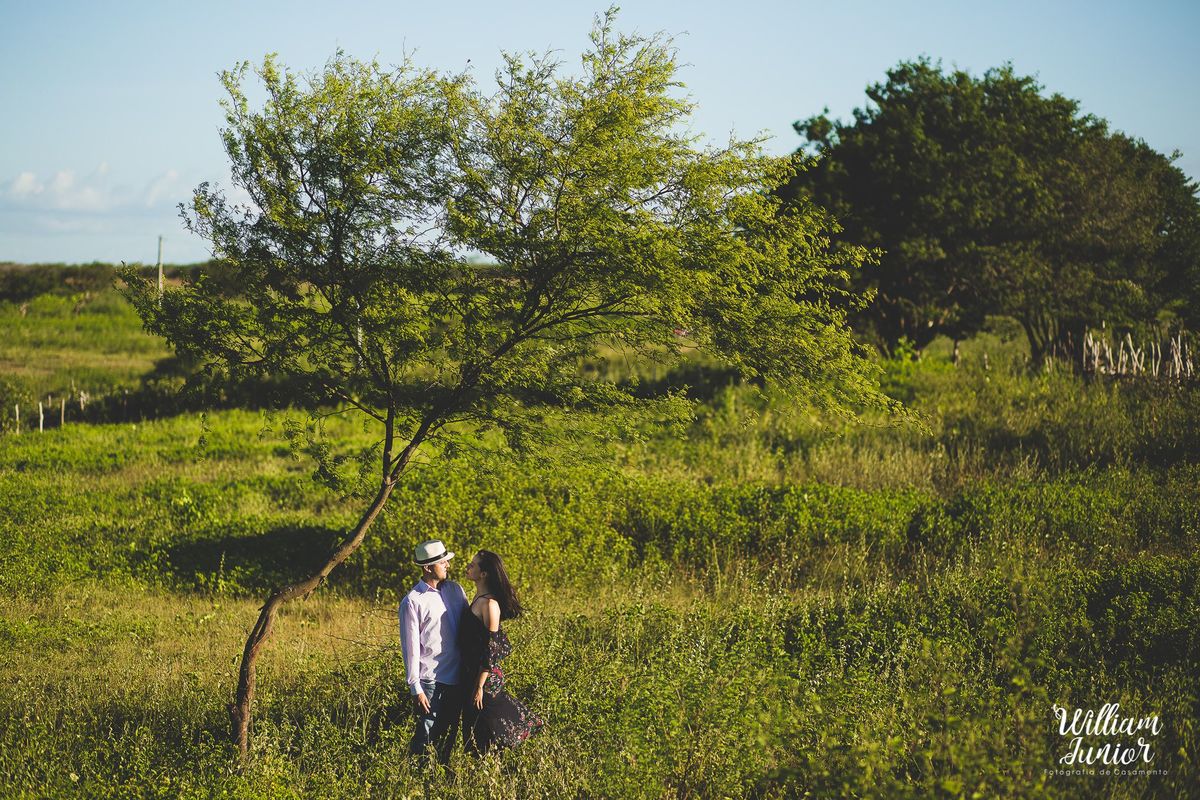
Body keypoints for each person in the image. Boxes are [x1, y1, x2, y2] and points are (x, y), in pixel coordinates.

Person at [459, 549, 543, 756]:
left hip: (485, 678)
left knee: (489, 728)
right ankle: (483, 771)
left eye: (473, 565)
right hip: (473, 674)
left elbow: (491, 647)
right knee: (476, 728)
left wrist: (479, 685)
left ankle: (499, 768)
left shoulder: (489, 604)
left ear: (484, 574)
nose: (468, 567)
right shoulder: (478, 599)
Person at [398, 539, 469, 766]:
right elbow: (410, 647)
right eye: (442, 562)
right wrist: (415, 687)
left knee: (449, 735)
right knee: (426, 735)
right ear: (428, 567)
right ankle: (417, 779)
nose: (447, 565)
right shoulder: (413, 601)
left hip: (458, 677)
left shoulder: (456, 590)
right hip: (430, 680)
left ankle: (441, 776)